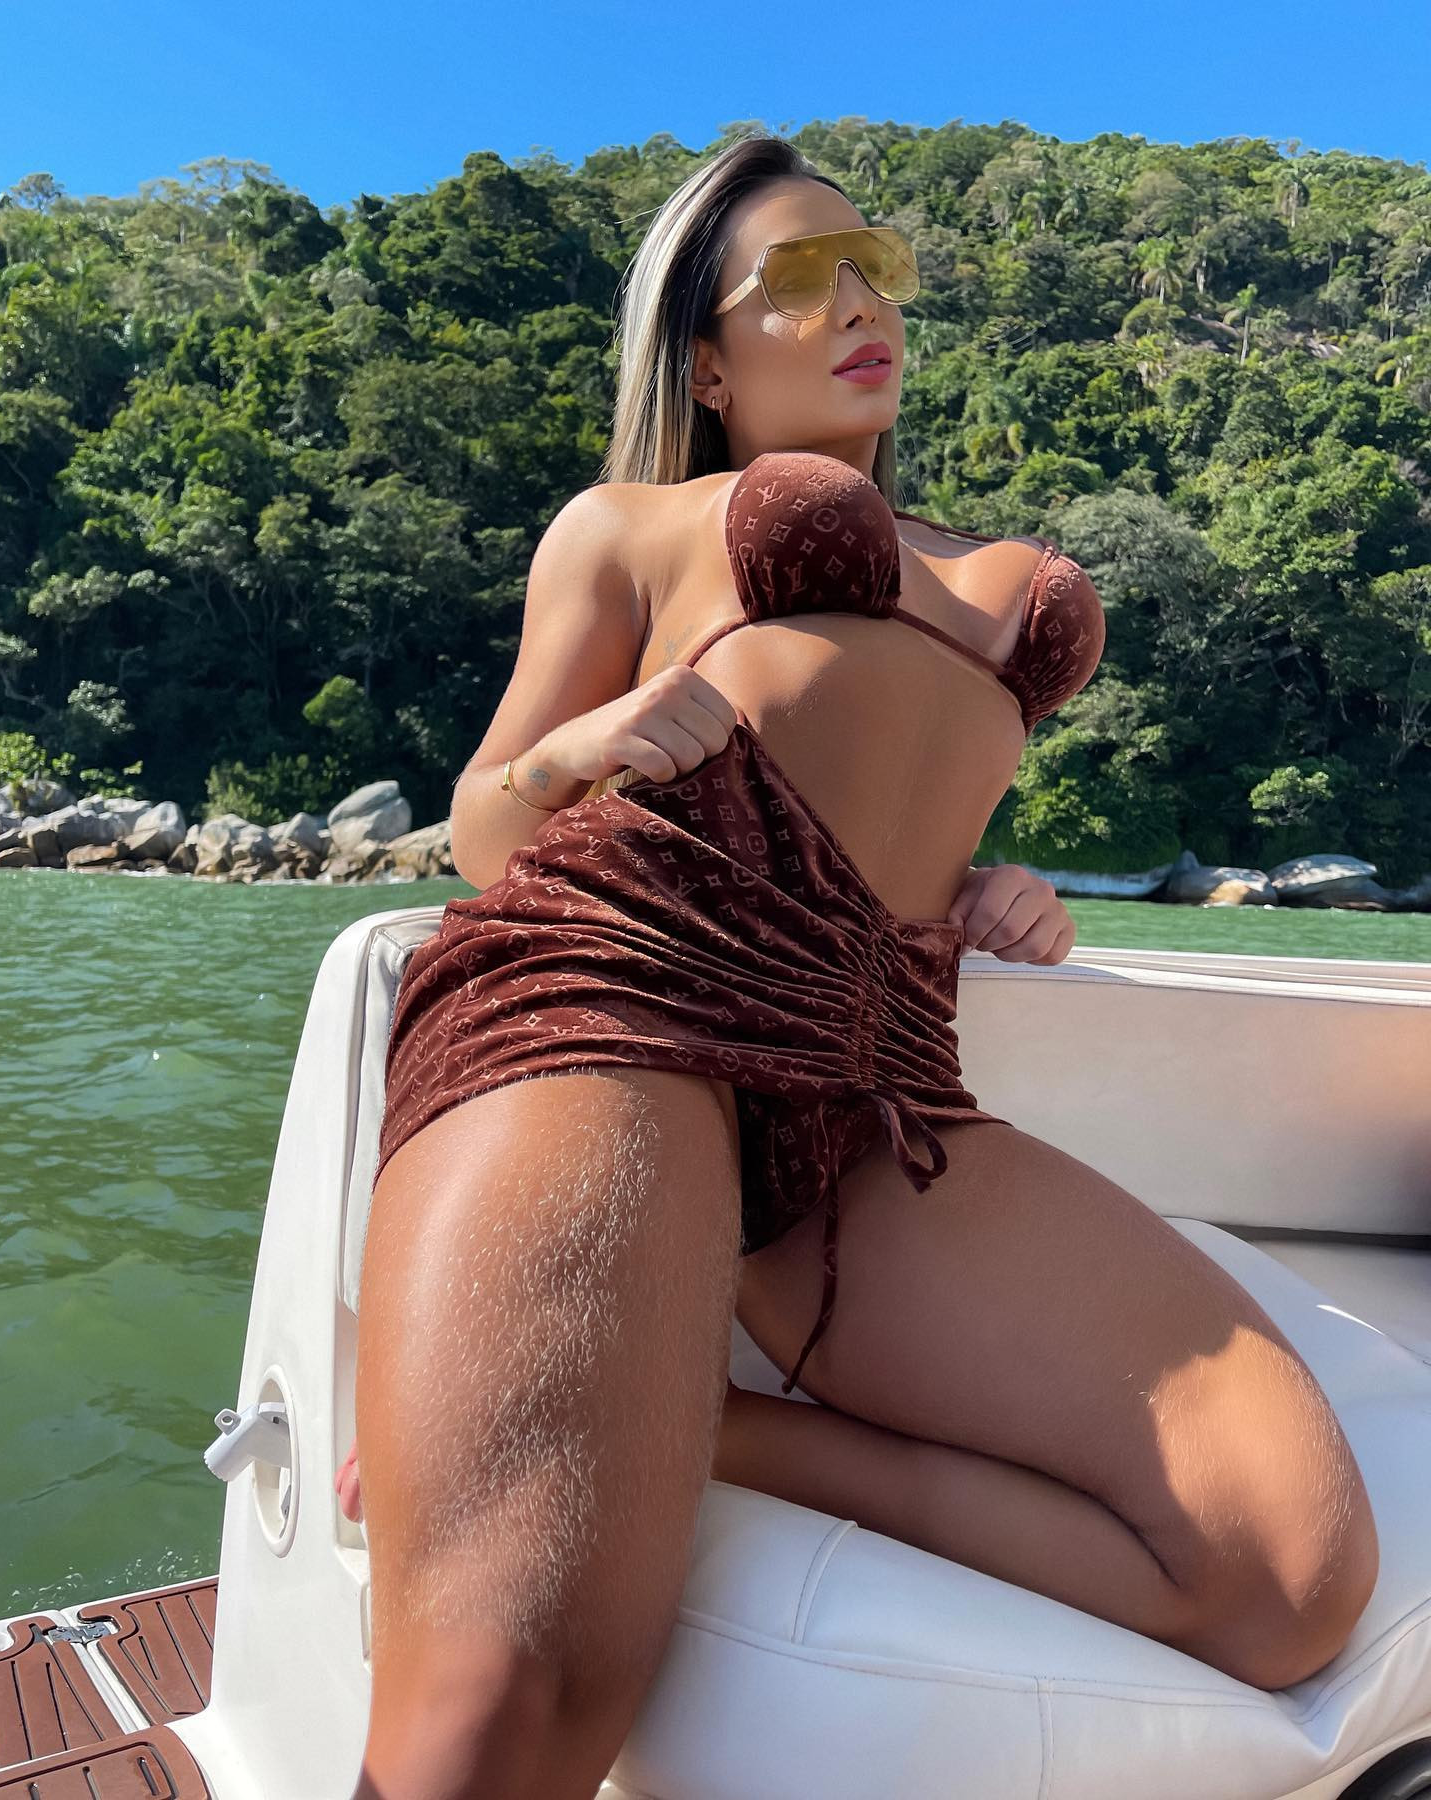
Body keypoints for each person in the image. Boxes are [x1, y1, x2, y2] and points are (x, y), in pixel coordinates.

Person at [346, 134, 1379, 1800]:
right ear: (704, 360)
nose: (858, 302)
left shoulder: (976, 557)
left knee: (1284, 1575)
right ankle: (558, 1417)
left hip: (884, 1085)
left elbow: (864, 790)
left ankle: (692, 1426)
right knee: (497, 1719)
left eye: (877, 264)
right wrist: (574, 751)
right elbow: (483, 825)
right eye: (800, 278)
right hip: (626, 988)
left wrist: (984, 886)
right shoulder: (626, 525)